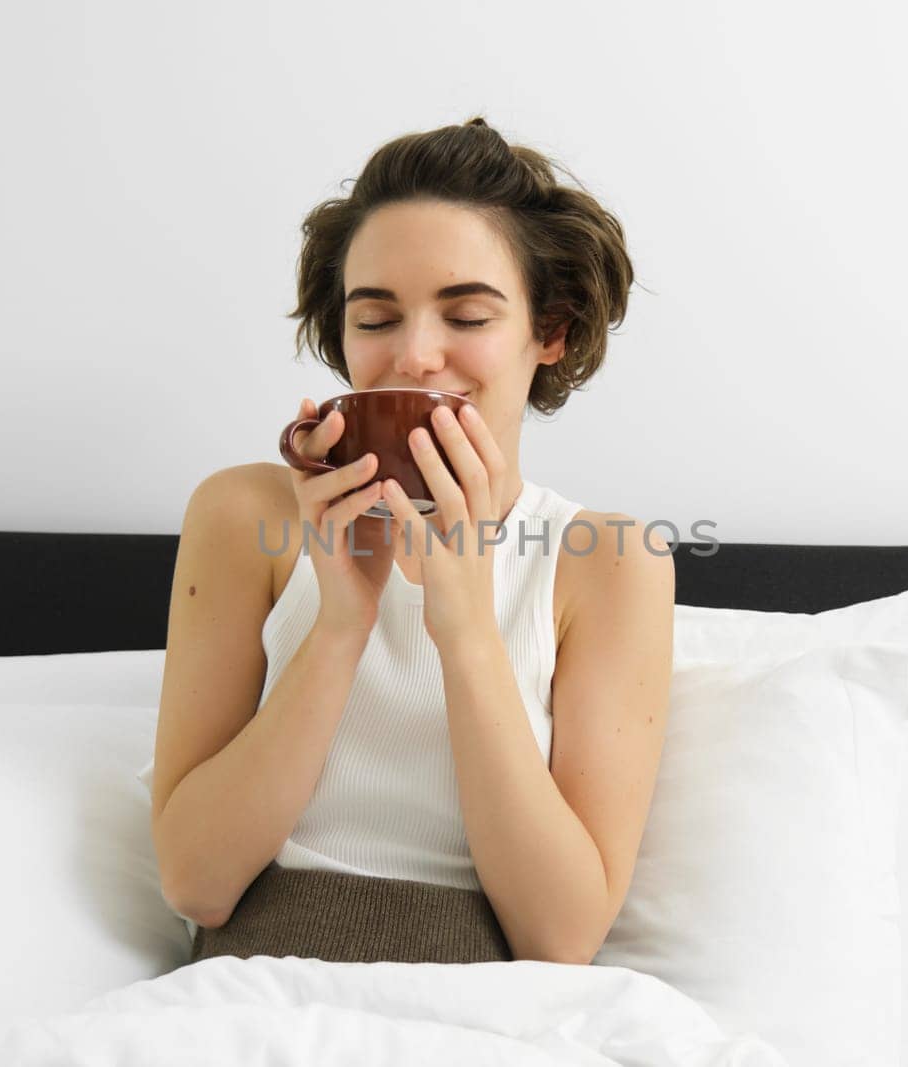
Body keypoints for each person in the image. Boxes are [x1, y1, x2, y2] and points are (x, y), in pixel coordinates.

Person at [145, 116, 674, 966]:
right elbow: (197, 884)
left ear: (552, 332)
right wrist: (341, 620)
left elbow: (562, 937)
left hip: (485, 1012)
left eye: (466, 313)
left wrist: (464, 627)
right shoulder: (243, 516)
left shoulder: (610, 562)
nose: (415, 356)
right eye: (375, 317)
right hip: (243, 999)